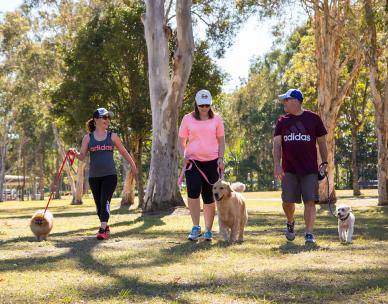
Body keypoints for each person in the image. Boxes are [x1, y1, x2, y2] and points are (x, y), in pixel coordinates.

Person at [70, 107, 137, 240]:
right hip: (94, 177)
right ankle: (105, 226)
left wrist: (133, 164)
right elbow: (82, 156)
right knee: (99, 206)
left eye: (108, 118)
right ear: (96, 120)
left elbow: (123, 151)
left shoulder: (113, 136)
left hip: (110, 176)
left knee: (105, 201)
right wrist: (74, 153)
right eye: (104, 117)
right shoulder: (88, 138)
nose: (107, 120)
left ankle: (102, 230)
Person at [272, 89, 328, 244]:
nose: (284, 102)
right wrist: (277, 164)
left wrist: (324, 163)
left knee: (310, 201)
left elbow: (322, 142)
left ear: (295, 101)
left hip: (310, 169)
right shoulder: (282, 121)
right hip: (288, 169)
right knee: (287, 201)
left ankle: (309, 233)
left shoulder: (313, 119)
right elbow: (277, 145)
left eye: (286, 99)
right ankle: (290, 221)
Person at [178, 89, 225, 241]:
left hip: (212, 162)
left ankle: (209, 230)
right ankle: (195, 227)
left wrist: (220, 158)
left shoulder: (217, 119)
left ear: (210, 104)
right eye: (201, 105)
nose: (204, 108)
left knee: (209, 195)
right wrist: (183, 156)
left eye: (207, 105)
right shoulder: (187, 118)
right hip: (193, 161)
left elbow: (221, 141)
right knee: (193, 190)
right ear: (196, 104)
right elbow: (181, 140)